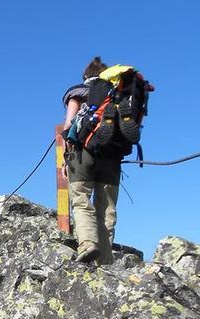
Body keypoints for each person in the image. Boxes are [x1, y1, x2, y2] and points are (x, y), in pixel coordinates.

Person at [62, 56, 120, 265]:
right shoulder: (116, 94)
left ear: (86, 76)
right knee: (107, 208)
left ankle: (87, 244)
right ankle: (104, 260)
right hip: (111, 157)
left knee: (81, 201)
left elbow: (68, 125)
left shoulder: (77, 92)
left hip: (82, 154)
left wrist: (64, 160)